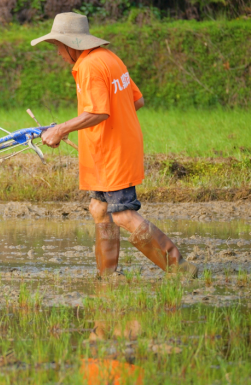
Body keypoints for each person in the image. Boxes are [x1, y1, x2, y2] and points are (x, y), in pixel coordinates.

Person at [31, 12, 198, 279]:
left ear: (72, 44)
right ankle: (107, 274)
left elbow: (98, 112)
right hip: (105, 150)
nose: (58, 54)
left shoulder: (90, 66)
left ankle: (180, 268)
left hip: (113, 153)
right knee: (99, 208)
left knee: (122, 215)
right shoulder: (110, 59)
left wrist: (61, 129)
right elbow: (136, 101)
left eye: (58, 47)